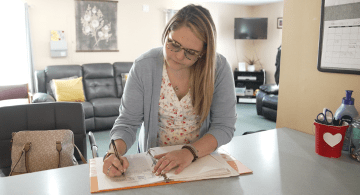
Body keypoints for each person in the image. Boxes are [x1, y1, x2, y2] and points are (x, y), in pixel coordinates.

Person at [103, 4, 237, 178]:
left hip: (200, 158)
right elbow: (128, 123)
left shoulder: (218, 69)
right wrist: (114, 153)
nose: (179, 56)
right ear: (166, 33)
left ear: (203, 52)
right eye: (173, 44)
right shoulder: (144, 66)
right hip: (157, 164)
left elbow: (224, 126)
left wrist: (189, 152)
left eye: (190, 52)